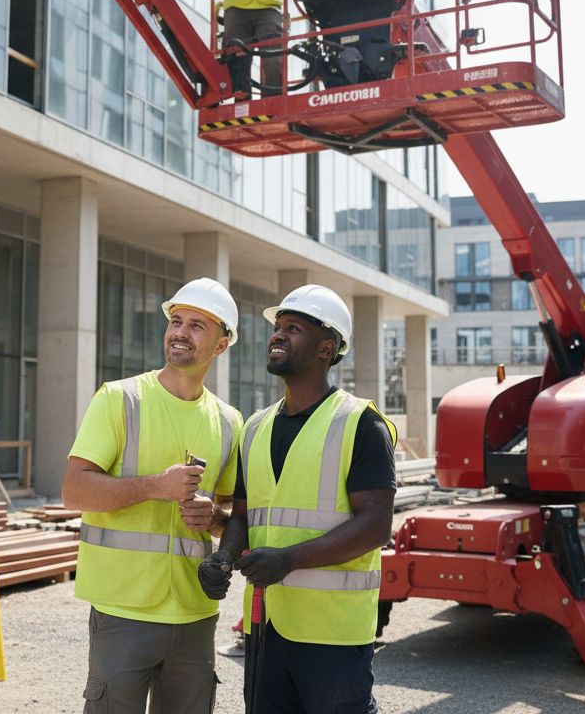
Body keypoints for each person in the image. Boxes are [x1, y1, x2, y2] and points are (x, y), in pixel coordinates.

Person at [198, 285, 398, 714]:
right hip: (266, 625)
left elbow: (376, 525)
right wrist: (224, 557)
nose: (277, 336)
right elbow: (246, 516)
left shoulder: (360, 424)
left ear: (327, 348)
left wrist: (287, 560)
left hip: (334, 634)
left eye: (293, 328)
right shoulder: (256, 427)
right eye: (276, 328)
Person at [62, 277, 246, 714]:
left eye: (197, 325)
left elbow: (231, 515)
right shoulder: (119, 399)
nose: (180, 332)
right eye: (176, 321)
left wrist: (213, 518)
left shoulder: (228, 421)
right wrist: (154, 486)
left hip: (195, 612)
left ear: (221, 345)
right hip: (123, 609)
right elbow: (74, 490)